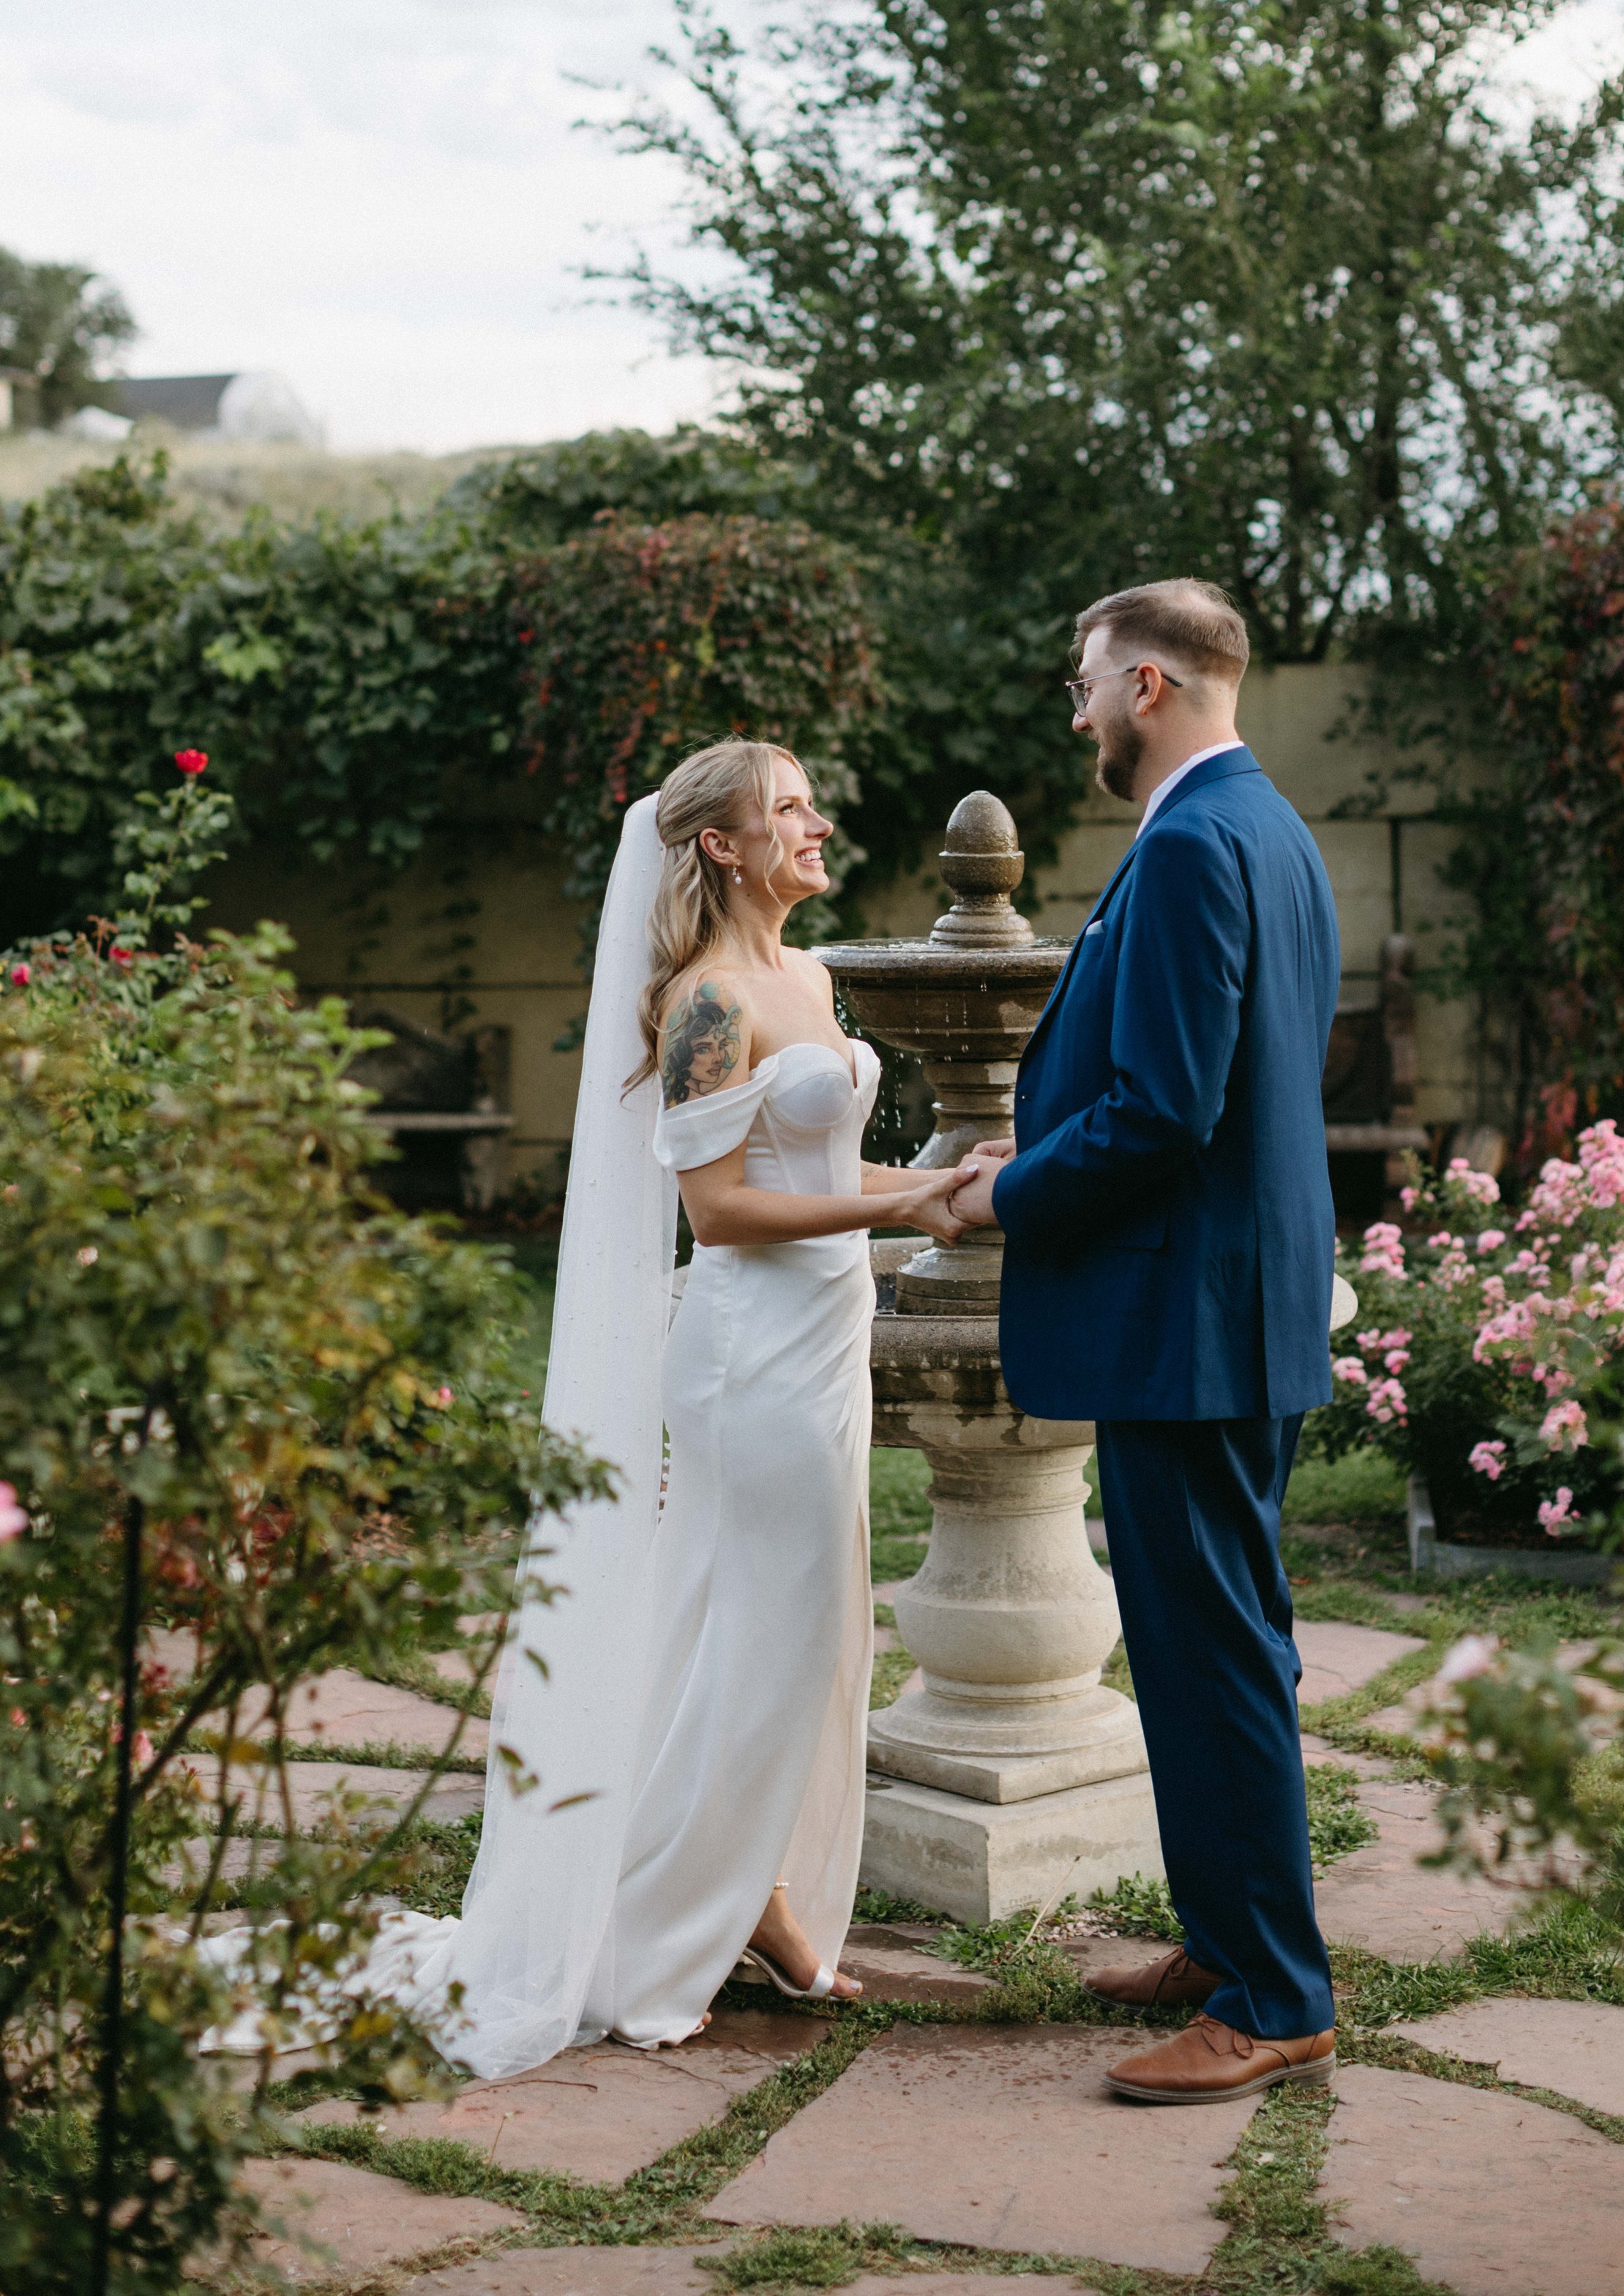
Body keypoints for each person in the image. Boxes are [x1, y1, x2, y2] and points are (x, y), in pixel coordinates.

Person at [316, 741, 969, 2074]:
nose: (818, 822)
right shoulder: (702, 1003)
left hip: (827, 1338)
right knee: (764, 1635)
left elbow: (824, 1168)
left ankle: (756, 1894)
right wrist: (903, 1201)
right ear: (722, 844)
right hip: (746, 1356)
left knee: (801, 1634)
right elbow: (719, 1211)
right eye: (789, 807)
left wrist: (939, 1186)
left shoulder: (813, 975)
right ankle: (676, 1923)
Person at [946, 579, 1340, 2105]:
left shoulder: (1186, 843)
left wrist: (1007, 1194)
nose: (1079, 714)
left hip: (1188, 1324)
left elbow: (1166, 1111)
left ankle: (1271, 1999)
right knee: (1205, 1644)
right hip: (1234, 1308)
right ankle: (1226, 1940)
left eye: (1088, 682)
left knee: (1212, 1650)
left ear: (1151, 685)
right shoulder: (1269, 828)